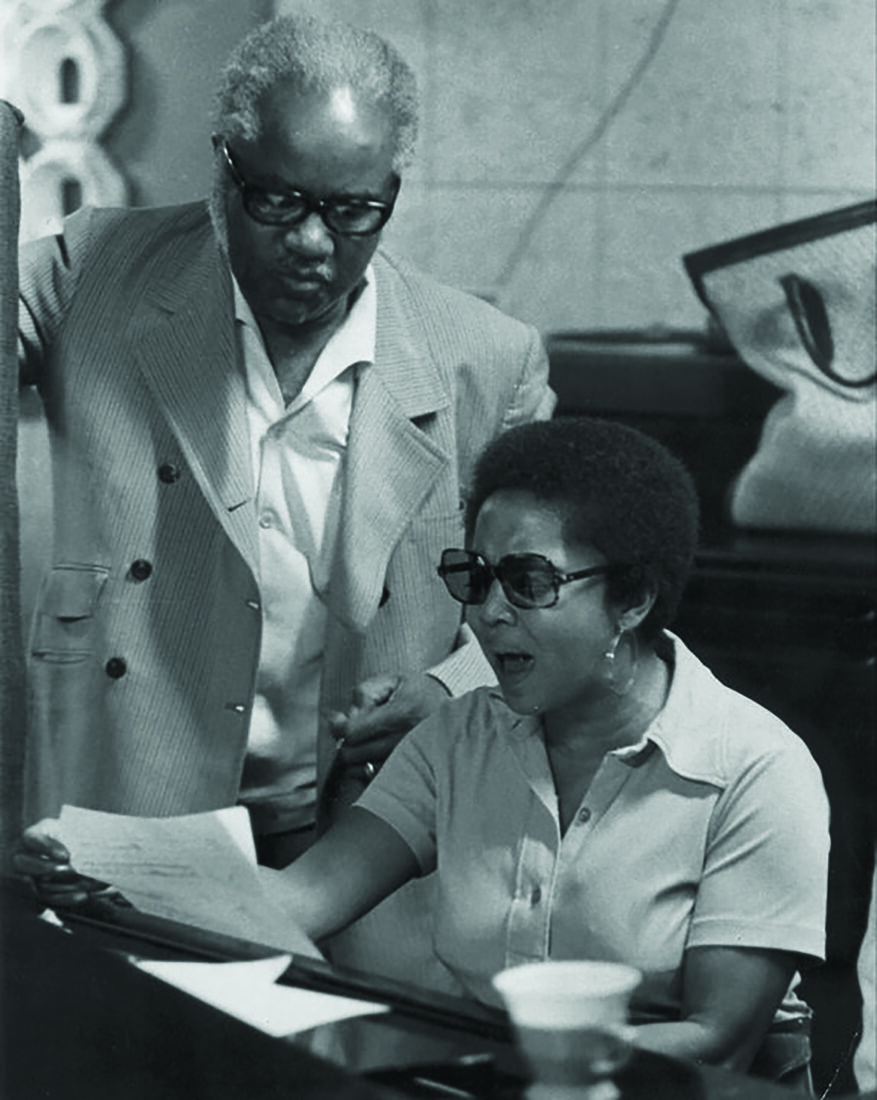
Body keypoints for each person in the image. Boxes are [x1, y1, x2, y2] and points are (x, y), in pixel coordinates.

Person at [18, 417, 830, 1091]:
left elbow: (719, 1041)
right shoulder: (458, 736)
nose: (487, 615)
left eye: (530, 583)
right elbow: (299, 901)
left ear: (634, 598)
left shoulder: (755, 770)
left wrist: (517, 1067)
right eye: (473, 578)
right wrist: (104, 881)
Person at [8, 13, 553, 985]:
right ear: (224, 169)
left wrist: (454, 683)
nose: (311, 242)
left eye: (353, 212)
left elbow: (553, 583)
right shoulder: (93, 273)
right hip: (135, 807)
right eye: (276, 200)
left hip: (369, 834)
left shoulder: (486, 358)